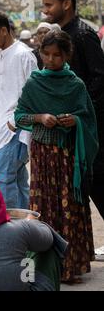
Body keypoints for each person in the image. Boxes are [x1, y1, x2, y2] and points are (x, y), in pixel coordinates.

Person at [15, 30, 98, 284]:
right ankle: (41, 269)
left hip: (67, 157)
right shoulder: (34, 83)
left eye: (56, 56)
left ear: (66, 56)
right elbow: (19, 116)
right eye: (46, 54)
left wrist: (74, 120)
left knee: (68, 206)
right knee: (44, 209)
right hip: (42, 155)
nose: (50, 60)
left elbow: (87, 118)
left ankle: (69, 267)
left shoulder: (76, 85)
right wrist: (40, 117)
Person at [42, 0, 104, 237]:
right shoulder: (62, 34)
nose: (45, 10)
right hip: (69, 130)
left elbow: (99, 79)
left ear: (66, 4)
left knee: (97, 183)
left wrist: (83, 117)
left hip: (88, 130)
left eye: (49, 5)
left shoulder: (82, 34)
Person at [0, 11, 38, 209]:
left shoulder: (24, 55)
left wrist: (17, 121)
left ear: (4, 30)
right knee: (17, 179)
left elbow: (34, 94)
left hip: (16, 127)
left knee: (1, 178)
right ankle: (25, 227)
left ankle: (7, 226)